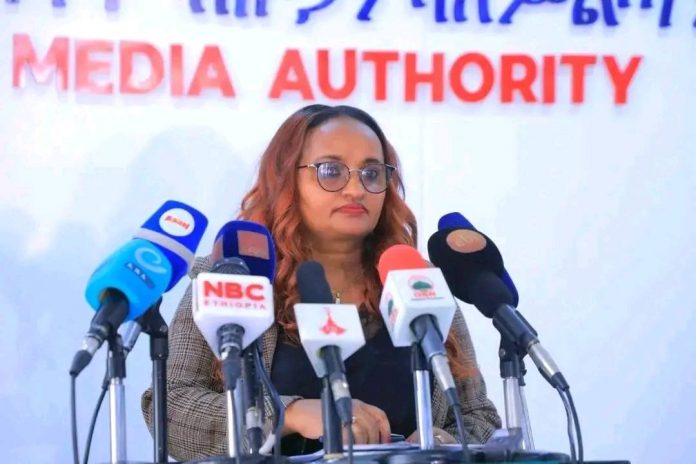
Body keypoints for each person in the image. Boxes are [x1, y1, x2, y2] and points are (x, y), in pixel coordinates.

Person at [142, 104, 501, 461]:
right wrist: (289, 414)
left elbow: (478, 415)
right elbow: (169, 406)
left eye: (372, 173)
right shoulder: (233, 275)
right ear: (286, 180)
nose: (356, 189)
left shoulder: (415, 281)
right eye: (331, 171)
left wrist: (443, 440)